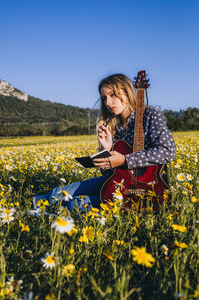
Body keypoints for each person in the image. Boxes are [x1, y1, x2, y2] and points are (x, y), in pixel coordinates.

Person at [32, 73, 175, 214]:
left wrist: (125, 160)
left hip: (148, 188)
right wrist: (107, 148)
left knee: (75, 204)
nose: (107, 103)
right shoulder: (113, 125)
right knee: (60, 192)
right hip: (118, 182)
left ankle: (43, 215)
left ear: (128, 92)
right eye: (104, 98)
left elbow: (167, 150)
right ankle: (26, 208)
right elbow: (110, 174)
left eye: (113, 95)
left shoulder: (151, 115)